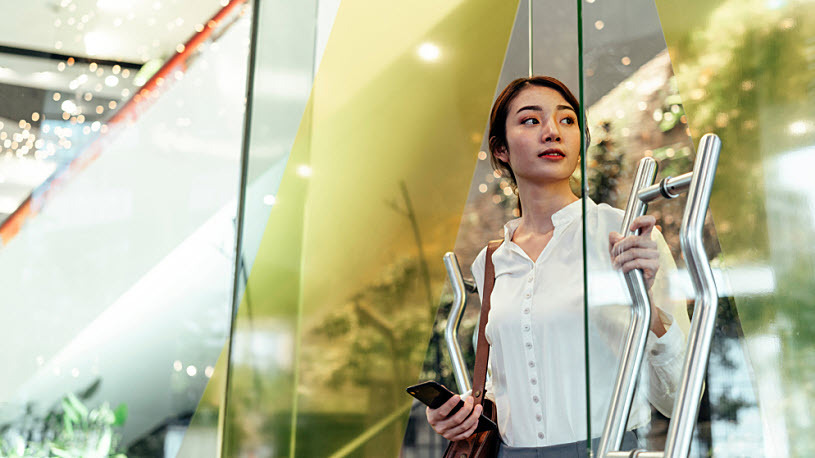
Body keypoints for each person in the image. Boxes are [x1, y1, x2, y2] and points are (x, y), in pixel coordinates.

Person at [425, 76, 690, 456]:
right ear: (500, 150)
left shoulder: (623, 231)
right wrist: (463, 413)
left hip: (607, 448)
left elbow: (680, 394)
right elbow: (507, 386)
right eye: (531, 121)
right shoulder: (491, 262)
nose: (552, 132)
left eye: (566, 121)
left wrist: (649, 308)